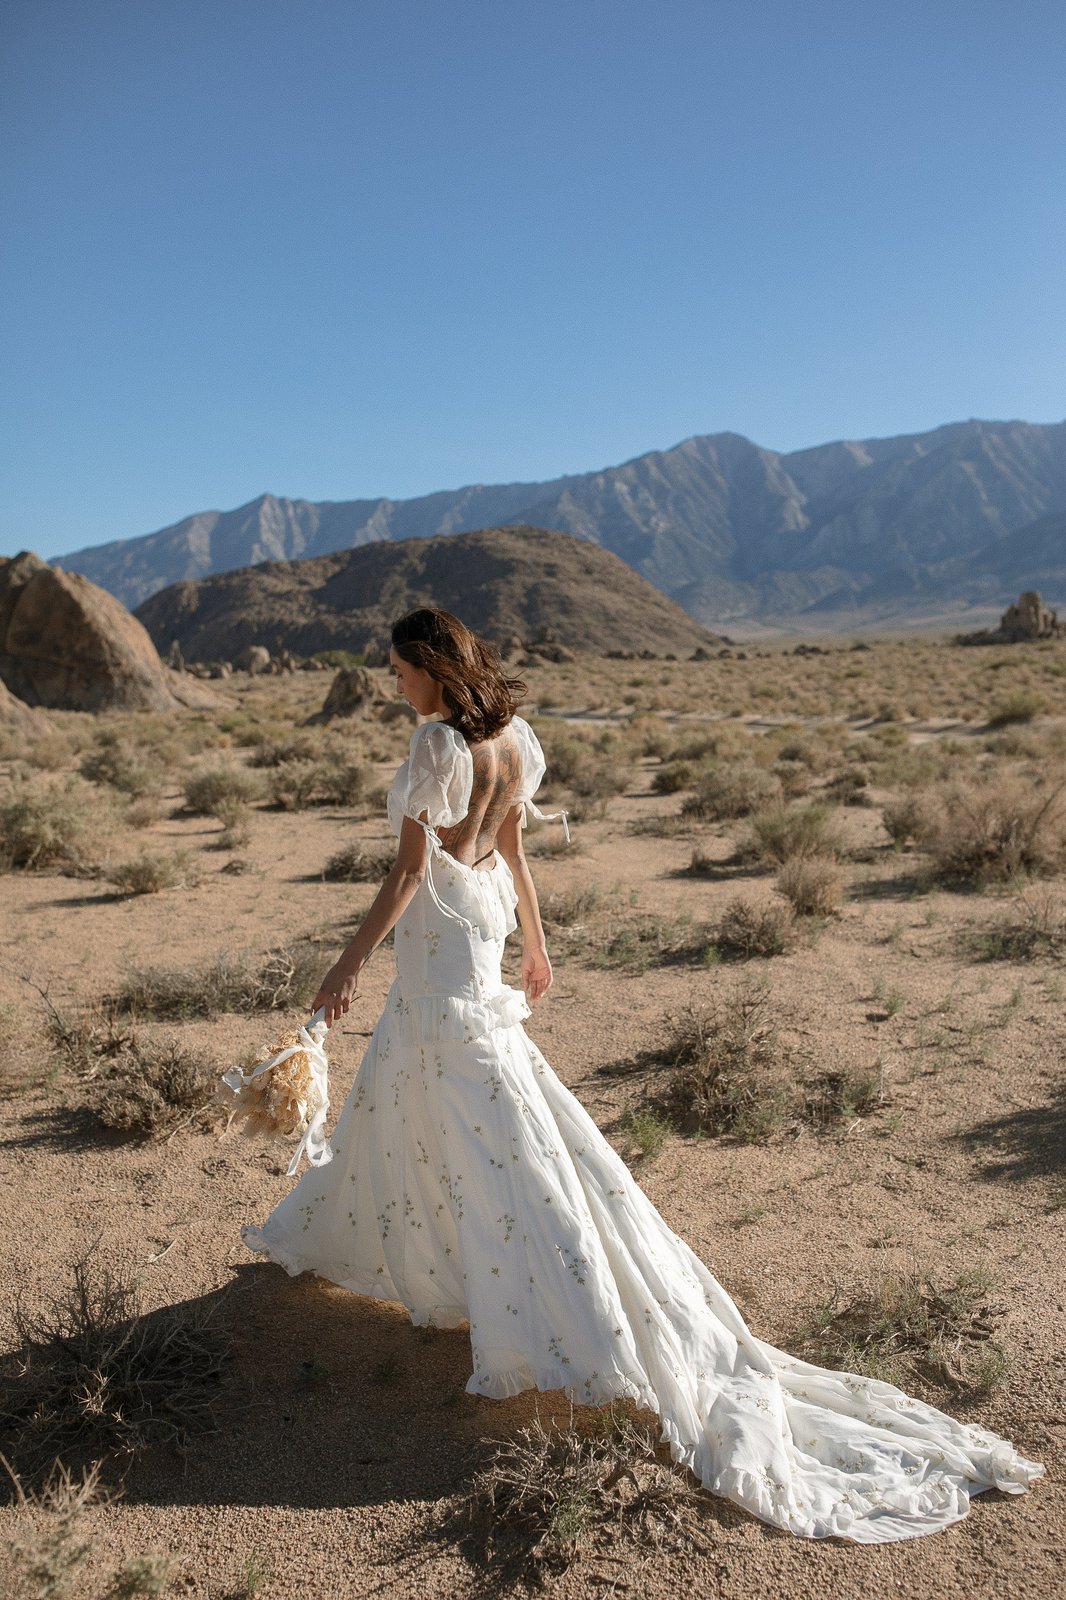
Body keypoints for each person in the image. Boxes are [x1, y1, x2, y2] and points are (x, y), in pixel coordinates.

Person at [241, 607, 1042, 1543]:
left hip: (438, 936)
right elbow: (514, 851)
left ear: (431, 668)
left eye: (398, 670)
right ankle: (470, 1262)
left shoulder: (435, 744)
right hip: (481, 930)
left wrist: (344, 968)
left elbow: (409, 876)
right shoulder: (512, 739)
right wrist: (535, 944)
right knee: (469, 1098)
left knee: (468, 1102)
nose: (393, 685)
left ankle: (544, 1298)